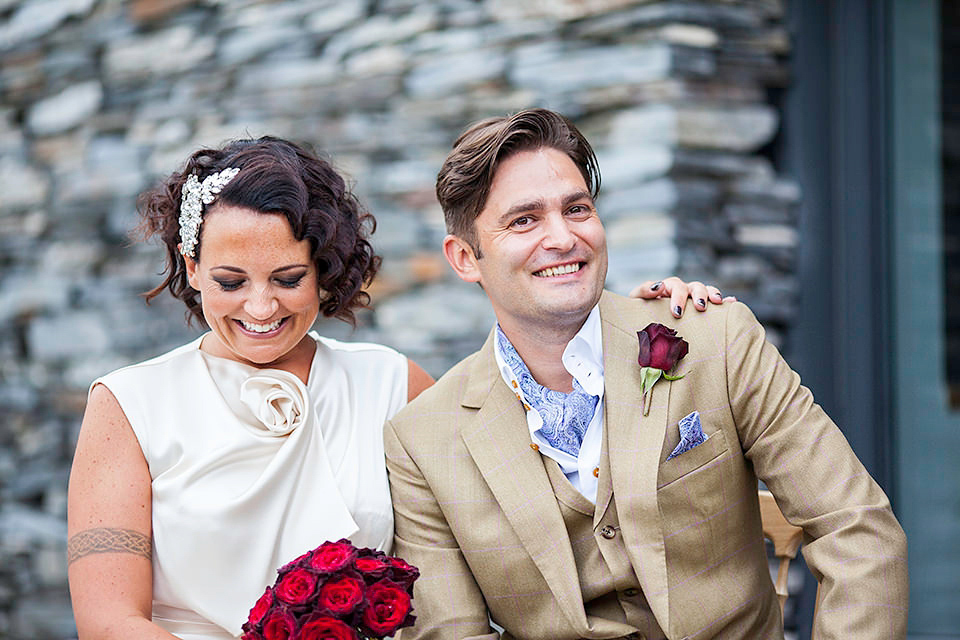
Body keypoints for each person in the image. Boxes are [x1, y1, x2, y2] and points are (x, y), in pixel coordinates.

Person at [66, 136, 720, 640]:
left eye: (289, 278)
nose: (261, 308)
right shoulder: (128, 406)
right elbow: (108, 621)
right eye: (232, 281)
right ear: (193, 268)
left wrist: (636, 332)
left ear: (325, 270)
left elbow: (544, 496)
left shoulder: (392, 383)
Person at [384, 109, 909, 639]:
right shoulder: (423, 440)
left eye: (577, 208)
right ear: (465, 258)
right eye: (525, 220)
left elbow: (856, 526)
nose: (564, 238)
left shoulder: (714, 340)